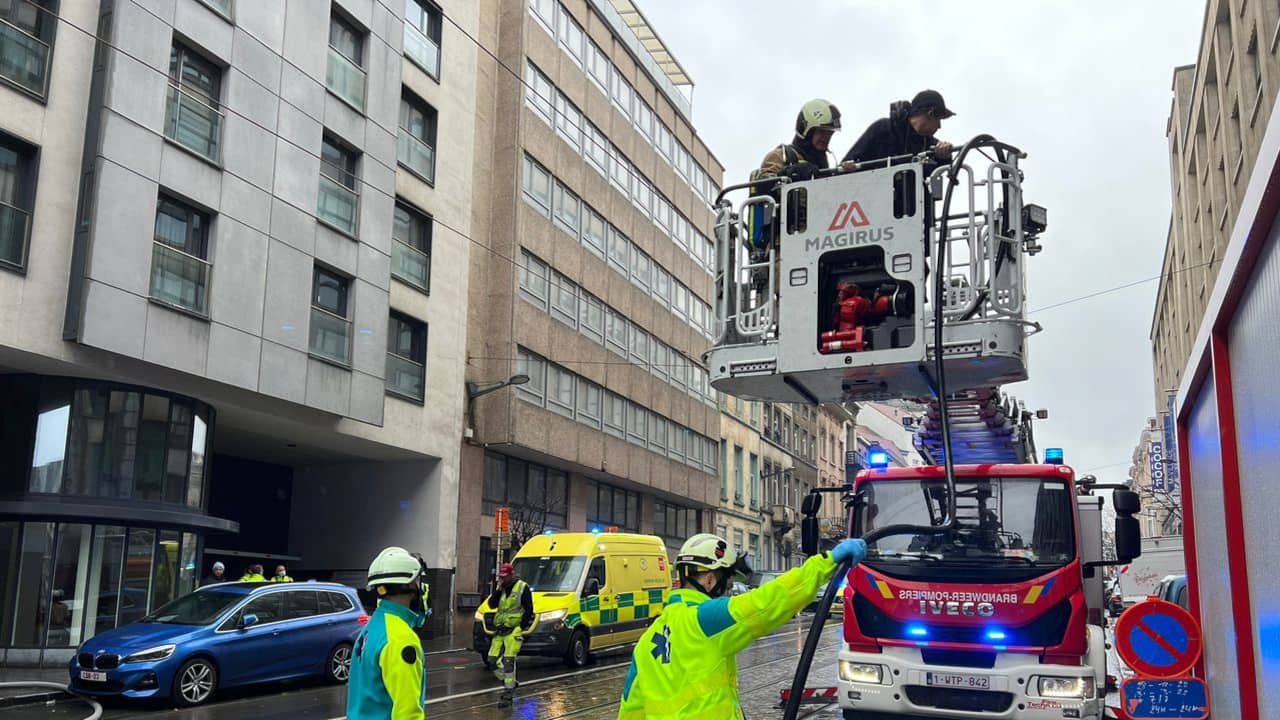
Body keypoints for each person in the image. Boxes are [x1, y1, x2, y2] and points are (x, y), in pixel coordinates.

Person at [617, 533, 868, 719]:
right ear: (708, 579)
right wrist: (826, 563)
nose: (727, 592)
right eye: (726, 583)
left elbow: (630, 710)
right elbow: (769, 601)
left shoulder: (647, 641)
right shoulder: (707, 618)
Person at [347, 546, 430, 720]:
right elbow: (408, 713)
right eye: (416, 581)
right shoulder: (401, 638)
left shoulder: (372, 628)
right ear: (409, 584)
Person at [842, 89, 956, 167]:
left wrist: (945, 156)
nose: (939, 127)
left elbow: (937, 171)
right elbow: (847, 163)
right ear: (931, 113)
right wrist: (849, 167)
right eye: (939, 120)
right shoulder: (883, 128)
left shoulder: (931, 146)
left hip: (913, 202)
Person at [487, 563, 533, 708]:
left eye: (504, 577)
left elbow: (529, 609)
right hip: (500, 630)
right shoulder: (501, 589)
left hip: (513, 630)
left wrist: (521, 627)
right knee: (492, 660)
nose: (502, 579)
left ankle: (508, 693)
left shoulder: (522, 587)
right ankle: (511, 683)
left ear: (511, 575)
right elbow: (491, 605)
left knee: (508, 661)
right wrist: (498, 589)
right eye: (501, 577)